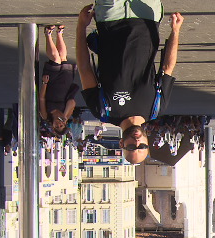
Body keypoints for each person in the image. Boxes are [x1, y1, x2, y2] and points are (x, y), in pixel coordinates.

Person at [76, 3, 184, 164]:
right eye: (142, 147)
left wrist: (80, 27)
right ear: (147, 144)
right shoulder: (157, 107)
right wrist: (175, 31)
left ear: (122, 144)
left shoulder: (102, 110)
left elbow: (84, 68)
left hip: (110, 19)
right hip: (148, 19)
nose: (137, 143)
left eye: (131, 147)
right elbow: (168, 67)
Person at [39, 25, 78, 136]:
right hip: (64, 84)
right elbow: (72, 102)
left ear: (53, 126)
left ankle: (48, 34)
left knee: (55, 59)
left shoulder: (45, 115)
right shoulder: (66, 115)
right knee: (62, 57)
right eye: (61, 125)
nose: (58, 123)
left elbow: (42, 99)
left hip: (50, 84)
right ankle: (60, 33)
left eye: (57, 126)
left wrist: (44, 83)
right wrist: (65, 115)